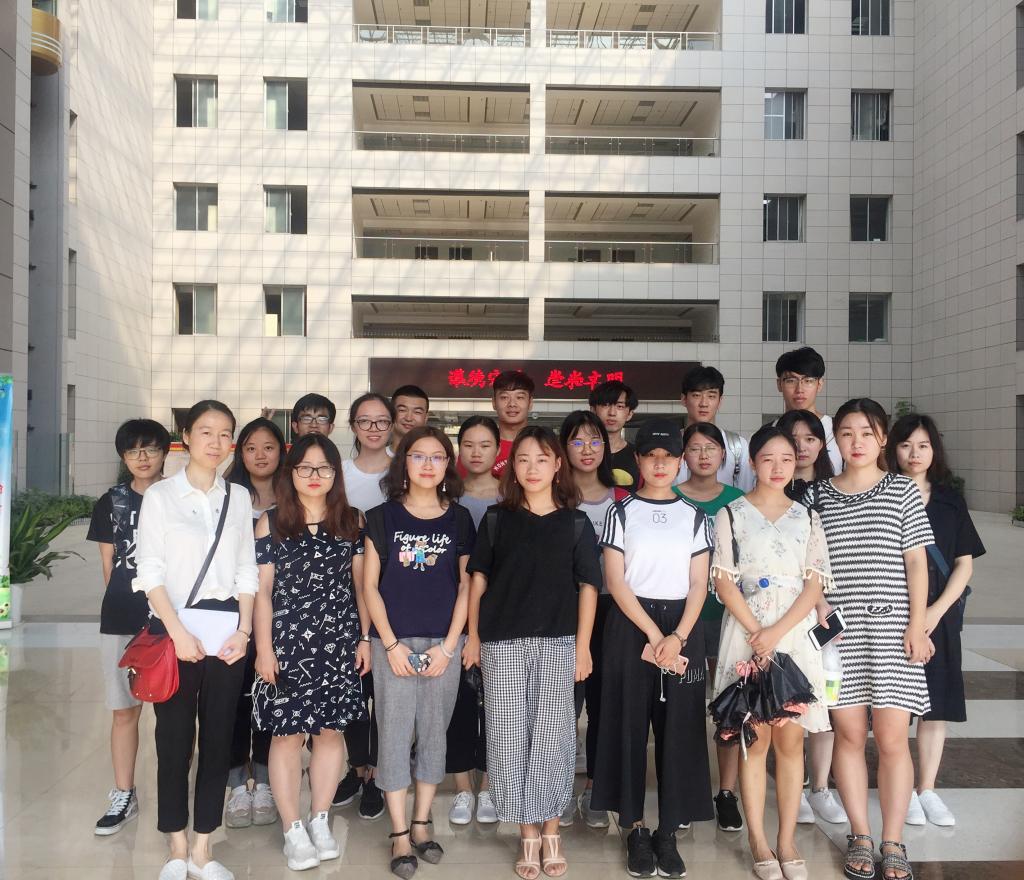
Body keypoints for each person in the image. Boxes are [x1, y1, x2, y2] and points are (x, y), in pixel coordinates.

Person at [465, 427, 601, 880]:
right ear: (512, 467)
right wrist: (473, 636)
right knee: (508, 737)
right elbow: (478, 580)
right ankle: (527, 833)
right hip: (502, 642)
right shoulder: (496, 519)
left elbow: (588, 586)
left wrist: (583, 646)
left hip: (559, 642)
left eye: (542, 459)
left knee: (553, 737)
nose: (532, 468)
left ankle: (551, 830)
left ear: (558, 465)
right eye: (523, 459)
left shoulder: (576, 523)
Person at [808, 399, 934, 880]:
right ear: (835, 439)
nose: (856, 442)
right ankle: (860, 834)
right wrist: (819, 609)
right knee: (848, 734)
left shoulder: (902, 490)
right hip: (839, 636)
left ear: (882, 438)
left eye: (866, 432)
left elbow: (916, 562)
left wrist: (917, 625)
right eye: (846, 433)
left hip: (893, 630)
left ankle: (893, 839)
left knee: (892, 738)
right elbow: (811, 566)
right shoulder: (817, 495)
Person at [133, 400, 258, 880]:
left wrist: (244, 631)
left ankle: (204, 846)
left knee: (219, 739)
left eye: (225, 433)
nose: (216, 442)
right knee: (173, 740)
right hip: (176, 632)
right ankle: (176, 845)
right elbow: (149, 570)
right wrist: (178, 631)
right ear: (185, 436)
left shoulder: (238, 497)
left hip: (227, 633)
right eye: (205, 431)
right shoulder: (161, 496)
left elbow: (246, 568)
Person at [591, 419, 713, 880]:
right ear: (638, 461)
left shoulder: (695, 517)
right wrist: (652, 633)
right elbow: (616, 580)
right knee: (626, 724)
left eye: (669, 456)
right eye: (651, 456)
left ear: (680, 461)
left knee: (680, 728)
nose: (660, 464)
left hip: (683, 626)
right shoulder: (620, 513)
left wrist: (677, 636)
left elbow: (699, 583)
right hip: (630, 624)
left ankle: (668, 830)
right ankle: (636, 829)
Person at [711, 425, 832, 880]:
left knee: (791, 740)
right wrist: (757, 633)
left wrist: (776, 633)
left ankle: (786, 840)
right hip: (746, 630)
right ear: (752, 463)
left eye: (787, 458)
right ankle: (759, 841)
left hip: (793, 635)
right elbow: (724, 582)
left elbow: (814, 585)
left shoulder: (808, 517)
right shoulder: (731, 513)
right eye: (768, 458)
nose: (778, 467)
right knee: (754, 739)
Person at [252, 434, 369, 871]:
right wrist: (264, 649)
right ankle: (292, 828)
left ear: (336, 474)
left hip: (338, 642)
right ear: (291, 473)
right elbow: (263, 592)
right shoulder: (271, 522)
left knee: (330, 733)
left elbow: (361, 586)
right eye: (305, 467)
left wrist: (364, 638)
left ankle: (320, 819)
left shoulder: (352, 521)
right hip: (286, 644)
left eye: (324, 468)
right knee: (286, 735)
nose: (314, 476)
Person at [362, 426, 473, 879]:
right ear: (403, 463)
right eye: (418, 456)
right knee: (392, 735)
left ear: (448, 465)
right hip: (393, 643)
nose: (428, 464)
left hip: (444, 643)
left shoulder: (460, 519)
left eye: (437, 457)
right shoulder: (380, 517)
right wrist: (389, 644)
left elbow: (466, 586)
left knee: (434, 734)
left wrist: (450, 645)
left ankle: (423, 821)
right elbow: (369, 586)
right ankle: (399, 831)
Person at [887, 414, 985, 829]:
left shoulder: (949, 500)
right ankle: (903, 789)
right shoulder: (882, 494)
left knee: (936, 705)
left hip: (938, 617)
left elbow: (964, 564)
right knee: (895, 706)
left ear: (934, 451)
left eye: (923, 446)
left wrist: (935, 612)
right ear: (893, 449)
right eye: (906, 445)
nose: (914, 453)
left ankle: (927, 788)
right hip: (893, 613)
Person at [89, 418, 171, 836]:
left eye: (150, 448)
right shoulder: (112, 502)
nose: (142, 457)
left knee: (174, 715)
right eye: (133, 450)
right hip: (122, 618)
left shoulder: (177, 497)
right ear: (123, 457)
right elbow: (109, 566)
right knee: (124, 711)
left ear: (165, 452)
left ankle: (176, 795)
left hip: (170, 621)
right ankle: (124, 793)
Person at [671, 422, 745, 833]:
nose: (703, 455)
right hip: (683, 618)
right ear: (684, 455)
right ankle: (683, 790)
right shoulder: (670, 496)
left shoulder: (739, 501)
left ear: (723, 455)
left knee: (729, 706)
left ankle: (726, 792)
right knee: (683, 708)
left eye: (711, 448)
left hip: (729, 616)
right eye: (695, 448)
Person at [776, 410, 846, 826]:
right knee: (791, 699)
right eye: (794, 438)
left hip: (835, 607)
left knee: (827, 700)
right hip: (790, 608)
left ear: (822, 444)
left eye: (810, 438)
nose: (801, 447)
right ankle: (796, 785)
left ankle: (821, 786)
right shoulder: (773, 493)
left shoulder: (834, 489)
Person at [333, 392, 396, 818]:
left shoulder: (404, 468)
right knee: (354, 690)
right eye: (365, 421)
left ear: (392, 425)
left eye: (381, 421)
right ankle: (357, 769)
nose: (373, 428)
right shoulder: (338, 473)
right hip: (345, 592)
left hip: (396, 591)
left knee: (387, 694)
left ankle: (379, 772)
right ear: (353, 426)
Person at [223, 417, 286, 829]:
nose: (260, 455)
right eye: (251, 448)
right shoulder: (225, 498)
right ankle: (234, 784)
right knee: (232, 701)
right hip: (230, 617)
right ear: (240, 453)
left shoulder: (296, 497)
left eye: (268, 447)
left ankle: (264, 781)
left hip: (283, 617)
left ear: (282, 452)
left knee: (270, 696)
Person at [558, 410, 618, 829]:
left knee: (603, 705)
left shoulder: (622, 499)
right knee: (563, 706)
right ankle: (559, 787)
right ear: (563, 448)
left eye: (595, 441)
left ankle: (596, 787)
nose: (587, 449)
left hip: (613, 612)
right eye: (577, 441)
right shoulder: (553, 497)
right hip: (566, 611)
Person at [447, 415, 501, 825]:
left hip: (500, 614)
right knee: (458, 705)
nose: (476, 452)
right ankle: (463, 788)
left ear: (498, 450)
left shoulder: (512, 495)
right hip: (451, 613)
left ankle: (490, 787)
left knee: (499, 706)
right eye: (468, 444)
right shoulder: (447, 496)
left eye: (485, 445)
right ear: (459, 449)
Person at [674, 366, 754, 491]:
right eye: (696, 395)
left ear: (720, 401)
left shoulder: (737, 446)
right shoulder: (671, 443)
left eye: (711, 396)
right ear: (684, 399)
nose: (704, 403)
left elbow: (745, 493)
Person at [774, 348, 842, 474]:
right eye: (791, 381)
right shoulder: (769, 431)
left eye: (808, 381)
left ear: (820, 384)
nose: (799, 389)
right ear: (779, 384)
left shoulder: (838, 430)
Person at [589, 379, 640, 488]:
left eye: (620, 406)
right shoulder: (580, 454)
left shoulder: (639, 456)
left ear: (630, 414)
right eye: (606, 405)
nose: (612, 413)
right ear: (593, 410)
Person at [489, 369, 535, 478]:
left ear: (530, 403)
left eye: (519, 397)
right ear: (494, 402)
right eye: (504, 397)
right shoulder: (480, 446)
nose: (512, 404)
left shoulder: (543, 445)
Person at [391, 385, 430, 453]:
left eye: (417, 412)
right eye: (402, 410)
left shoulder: (435, 457)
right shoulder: (375, 457)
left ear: (426, 417)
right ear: (391, 413)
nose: (408, 418)